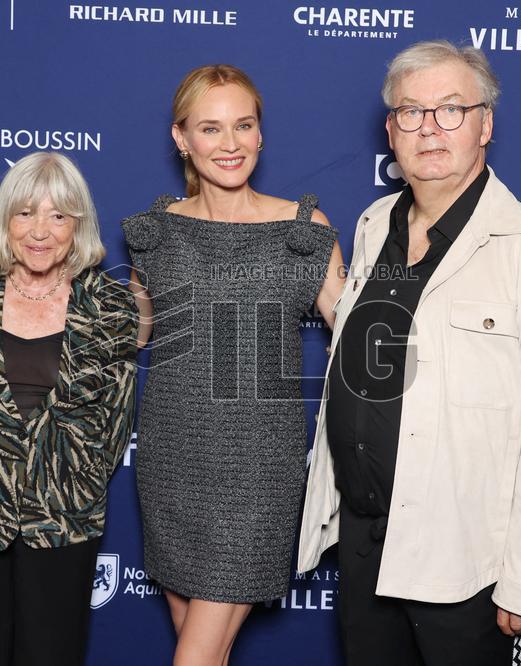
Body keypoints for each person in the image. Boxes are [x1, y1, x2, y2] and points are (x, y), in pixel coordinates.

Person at [298, 40, 521, 666]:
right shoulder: (376, 223)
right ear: (391, 130)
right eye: (412, 111)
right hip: (364, 542)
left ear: (485, 124)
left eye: (452, 109)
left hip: (465, 560)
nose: (429, 127)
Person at [122, 64, 345, 666]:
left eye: (243, 126)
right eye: (211, 128)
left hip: (257, 468)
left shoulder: (304, 229)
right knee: (200, 646)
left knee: (193, 657)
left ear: (260, 134)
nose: (229, 144)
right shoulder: (155, 234)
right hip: (172, 457)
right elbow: (137, 333)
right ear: (181, 139)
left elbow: (352, 333)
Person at [0, 151, 138, 666]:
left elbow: (116, 416)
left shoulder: (109, 306)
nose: (41, 231)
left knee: (51, 654)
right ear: (5, 219)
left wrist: (67, 480)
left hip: (62, 514)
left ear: (78, 225)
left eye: (58, 215)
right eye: (26, 213)